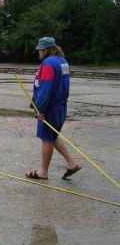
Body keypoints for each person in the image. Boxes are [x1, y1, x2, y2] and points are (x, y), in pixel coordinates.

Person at [26, 37, 81, 179]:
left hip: (50, 107)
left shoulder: (48, 63)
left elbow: (46, 88)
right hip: (60, 106)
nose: (38, 52)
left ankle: (43, 172)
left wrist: (41, 109)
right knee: (52, 135)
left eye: (40, 50)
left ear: (46, 50)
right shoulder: (63, 61)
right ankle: (71, 163)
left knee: (47, 139)